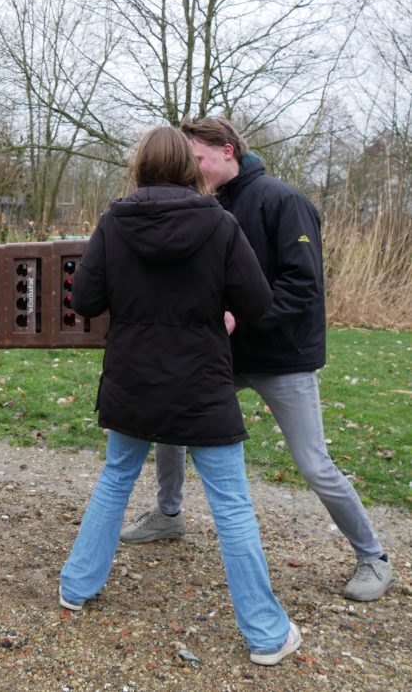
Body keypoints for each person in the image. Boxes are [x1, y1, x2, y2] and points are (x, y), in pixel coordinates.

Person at [120, 117, 393, 603]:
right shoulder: (205, 203)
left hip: (282, 357)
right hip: (220, 354)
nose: (192, 170)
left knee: (314, 463)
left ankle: (373, 556)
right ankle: (168, 514)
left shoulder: (283, 201)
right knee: (169, 427)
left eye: (198, 159)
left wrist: (241, 317)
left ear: (227, 151)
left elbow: (303, 285)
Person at [59, 126, 301, 666]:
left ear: (140, 166)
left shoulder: (114, 221)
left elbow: (87, 299)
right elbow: (257, 303)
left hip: (133, 380)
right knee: (231, 503)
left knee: (116, 479)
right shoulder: (220, 223)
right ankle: (266, 635)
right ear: (190, 168)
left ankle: (76, 586)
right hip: (201, 382)